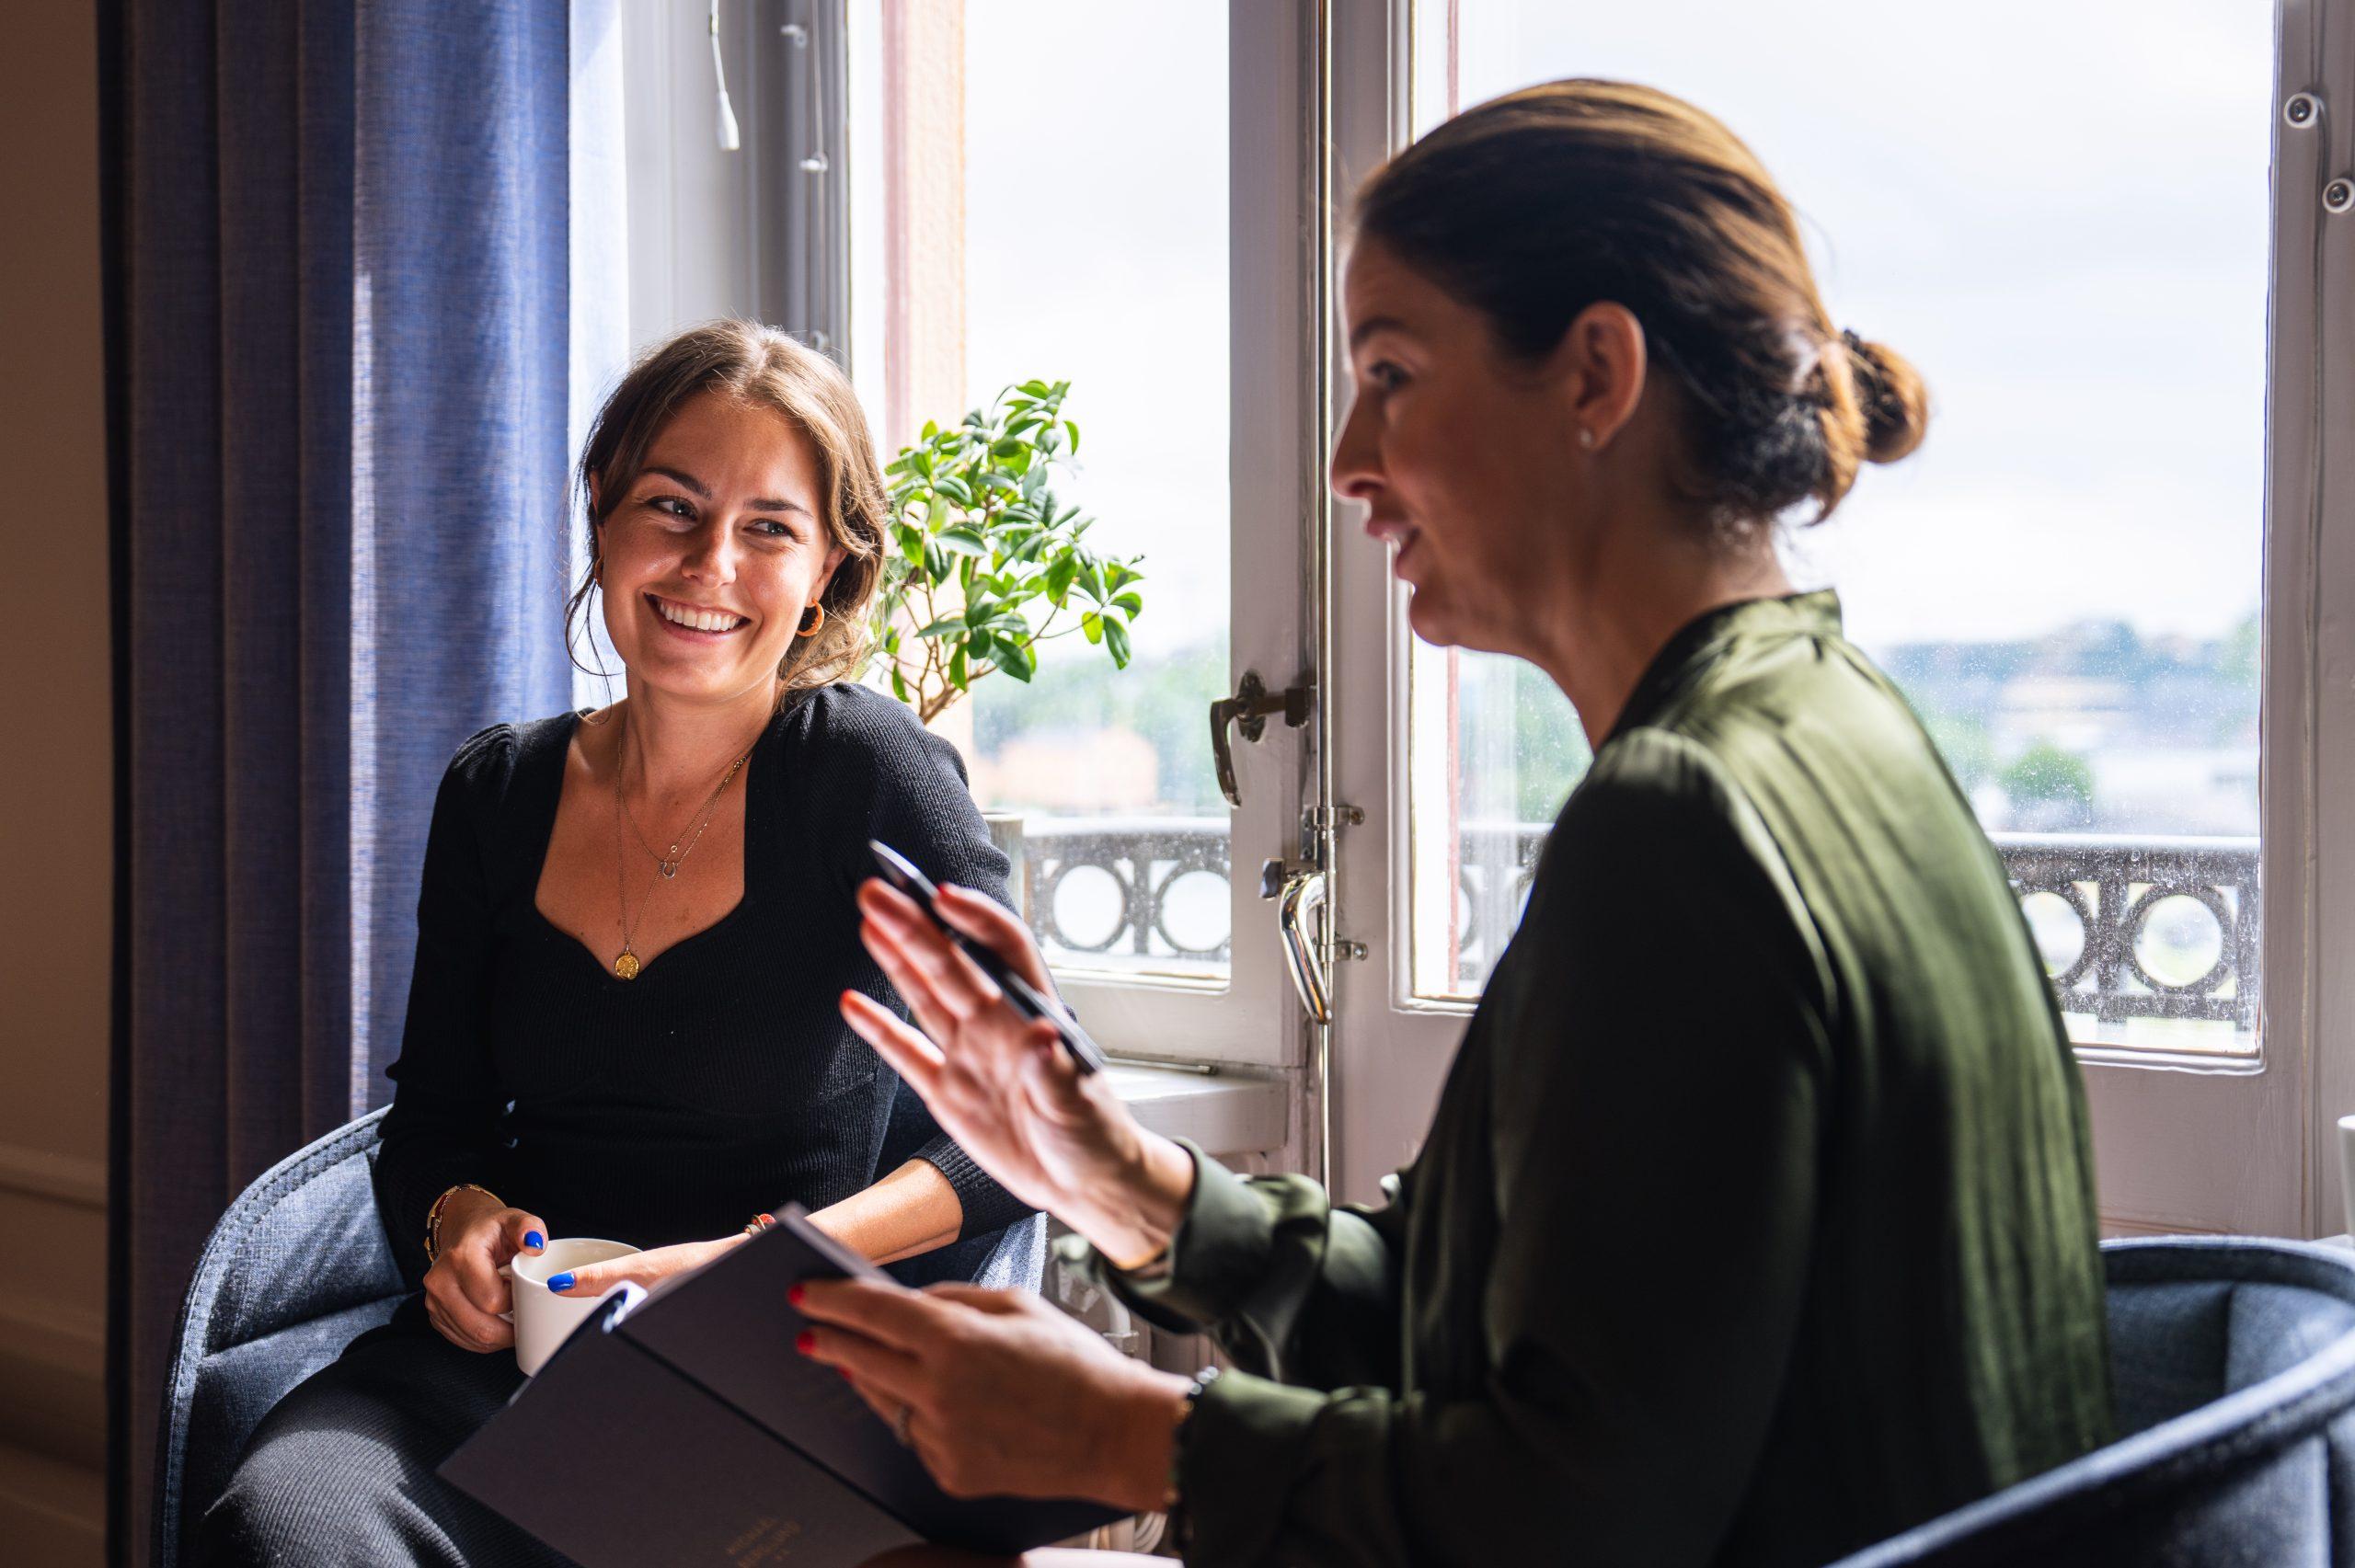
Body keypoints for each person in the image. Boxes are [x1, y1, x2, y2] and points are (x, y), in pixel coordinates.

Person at [791, 80, 2116, 1568]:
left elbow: (1576, 1510)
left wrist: (1119, 1434)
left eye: (1393, 371)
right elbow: (1497, 1329)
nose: (1350, 457)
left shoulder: (1681, 824)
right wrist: (1122, 1176)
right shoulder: (1838, 725)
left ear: (1595, 377)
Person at [196, 322, 1035, 1566]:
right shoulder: (496, 792)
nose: (708, 562)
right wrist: (460, 1223)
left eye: (768, 526)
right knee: (291, 1519)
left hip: (770, 1373)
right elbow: (434, 1114)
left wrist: (768, 1261)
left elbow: (1028, 1125)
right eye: (672, 504)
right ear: (602, 511)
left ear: (826, 569)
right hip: (502, 1369)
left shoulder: (869, 774)